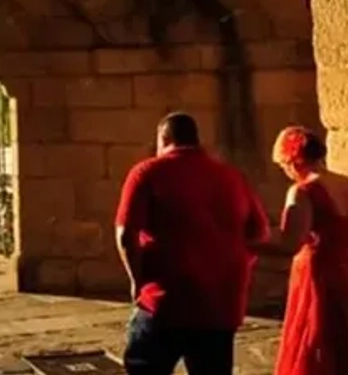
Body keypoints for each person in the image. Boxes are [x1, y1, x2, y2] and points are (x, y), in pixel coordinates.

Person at [114, 112, 270, 375]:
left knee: (144, 367)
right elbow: (259, 234)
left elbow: (125, 233)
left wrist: (136, 280)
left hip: (165, 301)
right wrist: (231, 263)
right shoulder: (231, 176)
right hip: (220, 304)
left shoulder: (148, 171)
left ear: (164, 138)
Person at [254, 126, 348, 375]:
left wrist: (247, 240)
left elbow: (291, 242)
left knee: (320, 353)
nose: (286, 173)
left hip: (321, 283)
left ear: (293, 161)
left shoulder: (303, 191)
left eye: (284, 166)